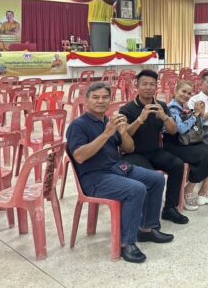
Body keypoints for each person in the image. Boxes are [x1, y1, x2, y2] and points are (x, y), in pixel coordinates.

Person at [66, 82, 174, 264]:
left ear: (110, 100)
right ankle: (126, 243)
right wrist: (106, 135)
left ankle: (147, 228)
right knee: (136, 189)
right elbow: (79, 156)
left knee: (156, 178)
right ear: (86, 101)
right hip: (95, 178)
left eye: (105, 97)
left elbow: (129, 148)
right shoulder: (79, 125)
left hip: (117, 168)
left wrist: (123, 133)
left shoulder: (108, 121)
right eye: (95, 97)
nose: (100, 101)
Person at [119, 69, 189, 225]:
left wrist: (164, 117)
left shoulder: (161, 105)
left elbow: (173, 130)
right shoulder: (127, 109)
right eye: (144, 84)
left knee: (177, 165)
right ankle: (147, 219)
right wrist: (140, 119)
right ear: (137, 86)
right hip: (133, 154)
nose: (148, 88)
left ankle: (170, 208)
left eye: (152, 84)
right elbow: (124, 135)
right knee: (151, 176)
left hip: (154, 151)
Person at [164, 80, 208, 210]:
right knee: (205, 155)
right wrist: (195, 115)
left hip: (186, 141)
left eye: (189, 93)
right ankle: (188, 189)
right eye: (183, 91)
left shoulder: (184, 106)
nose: (186, 95)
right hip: (173, 144)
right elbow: (182, 129)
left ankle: (203, 192)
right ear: (176, 91)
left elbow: (196, 127)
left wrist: (199, 114)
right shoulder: (172, 108)